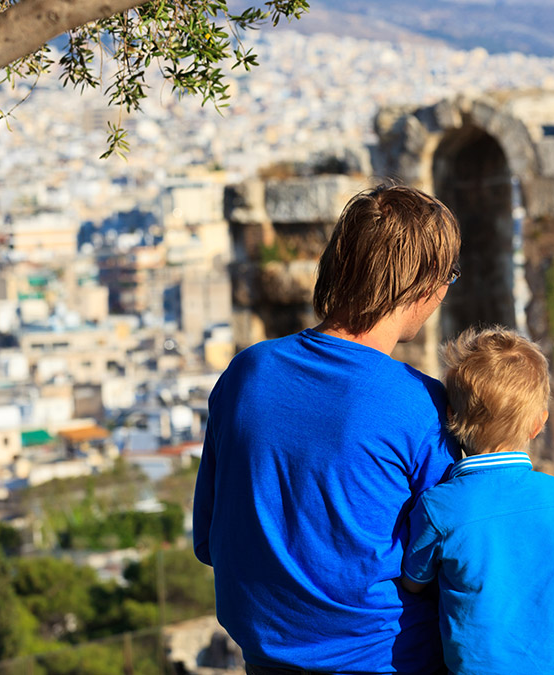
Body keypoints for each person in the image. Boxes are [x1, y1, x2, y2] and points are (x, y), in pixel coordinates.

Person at [192, 184, 463, 674]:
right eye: (449, 276)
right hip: (389, 660)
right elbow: (462, 558)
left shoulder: (244, 376)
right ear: (422, 285)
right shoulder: (419, 407)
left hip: (264, 658)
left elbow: (211, 541)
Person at [400, 327, 554, 675]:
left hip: (483, 668)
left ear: (449, 416)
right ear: (538, 424)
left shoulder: (439, 506)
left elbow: (414, 581)